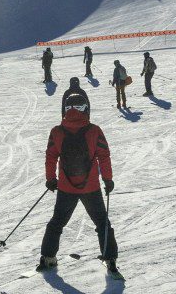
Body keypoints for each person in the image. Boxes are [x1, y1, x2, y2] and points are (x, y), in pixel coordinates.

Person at [38, 90, 118, 277]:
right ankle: (110, 258)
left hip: (66, 188)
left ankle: (47, 257)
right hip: (91, 187)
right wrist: (108, 179)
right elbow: (104, 156)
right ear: (86, 109)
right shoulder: (94, 131)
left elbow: (51, 157)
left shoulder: (57, 132)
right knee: (101, 222)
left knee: (57, 222)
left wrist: (51, 179)